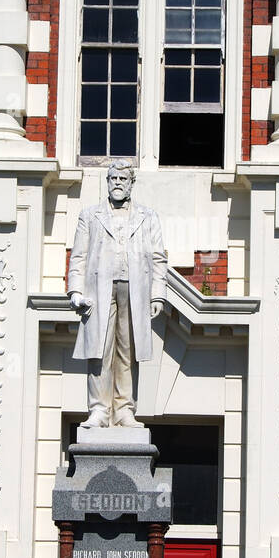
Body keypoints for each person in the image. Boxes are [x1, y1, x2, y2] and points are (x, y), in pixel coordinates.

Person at [68, 161, 167, 427]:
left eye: (123, 178)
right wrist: (75, 290)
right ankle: (99, 409)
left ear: (132, 183)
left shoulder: (148, 216)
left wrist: (157, 294)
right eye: (113, 178)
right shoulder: (90, 215)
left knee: (127, 350)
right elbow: (78, 256)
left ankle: (124, 409)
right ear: (107, 182)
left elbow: (158, 259)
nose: (118, 183)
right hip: (98, 290)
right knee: (98, 350)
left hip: (134, 290)